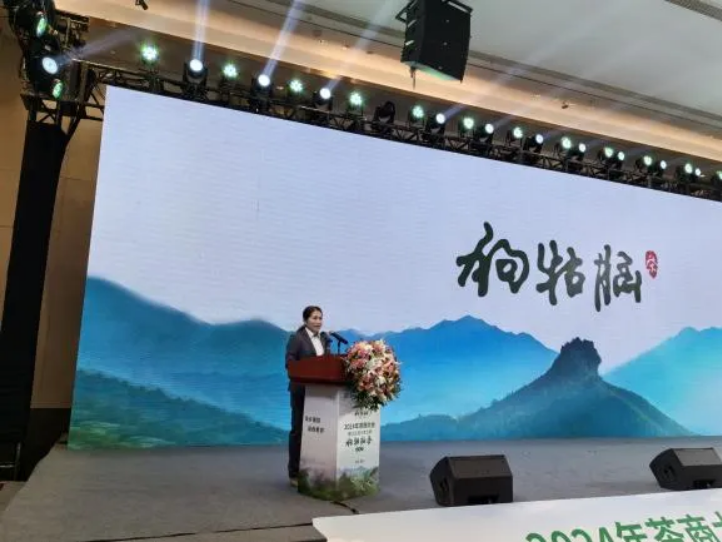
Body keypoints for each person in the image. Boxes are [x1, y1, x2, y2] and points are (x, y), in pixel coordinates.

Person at [285, 305, 332, 486]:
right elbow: (289, 362)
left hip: (319, 393)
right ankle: (294, 473)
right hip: (301, 390)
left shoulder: (324, 339)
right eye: (314, 318)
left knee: (317, 431)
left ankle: (316, 470)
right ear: (305, 320)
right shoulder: (297, 338)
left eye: (320, 318)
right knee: (298, 431)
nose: (318, 321)